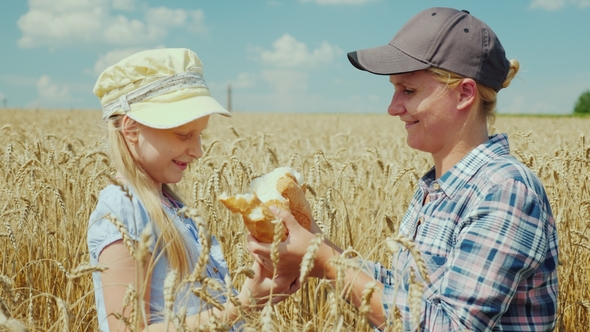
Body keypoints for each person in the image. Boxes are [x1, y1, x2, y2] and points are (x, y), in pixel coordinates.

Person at [247, 7, 559, 331]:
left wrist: (329, 264)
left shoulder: (505, 190)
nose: (393, 107)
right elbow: (407, 292)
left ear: (464, 93)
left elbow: (449, 326)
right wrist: (317, 244)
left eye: (407, 90)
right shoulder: (439, 187)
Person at [87, 48, 297, 331]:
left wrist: (263, 283)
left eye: (200, 135)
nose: (198, 151)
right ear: (132, 130)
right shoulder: (122, 209)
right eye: (184, 135)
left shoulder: (170, 206)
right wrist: (243, 304)